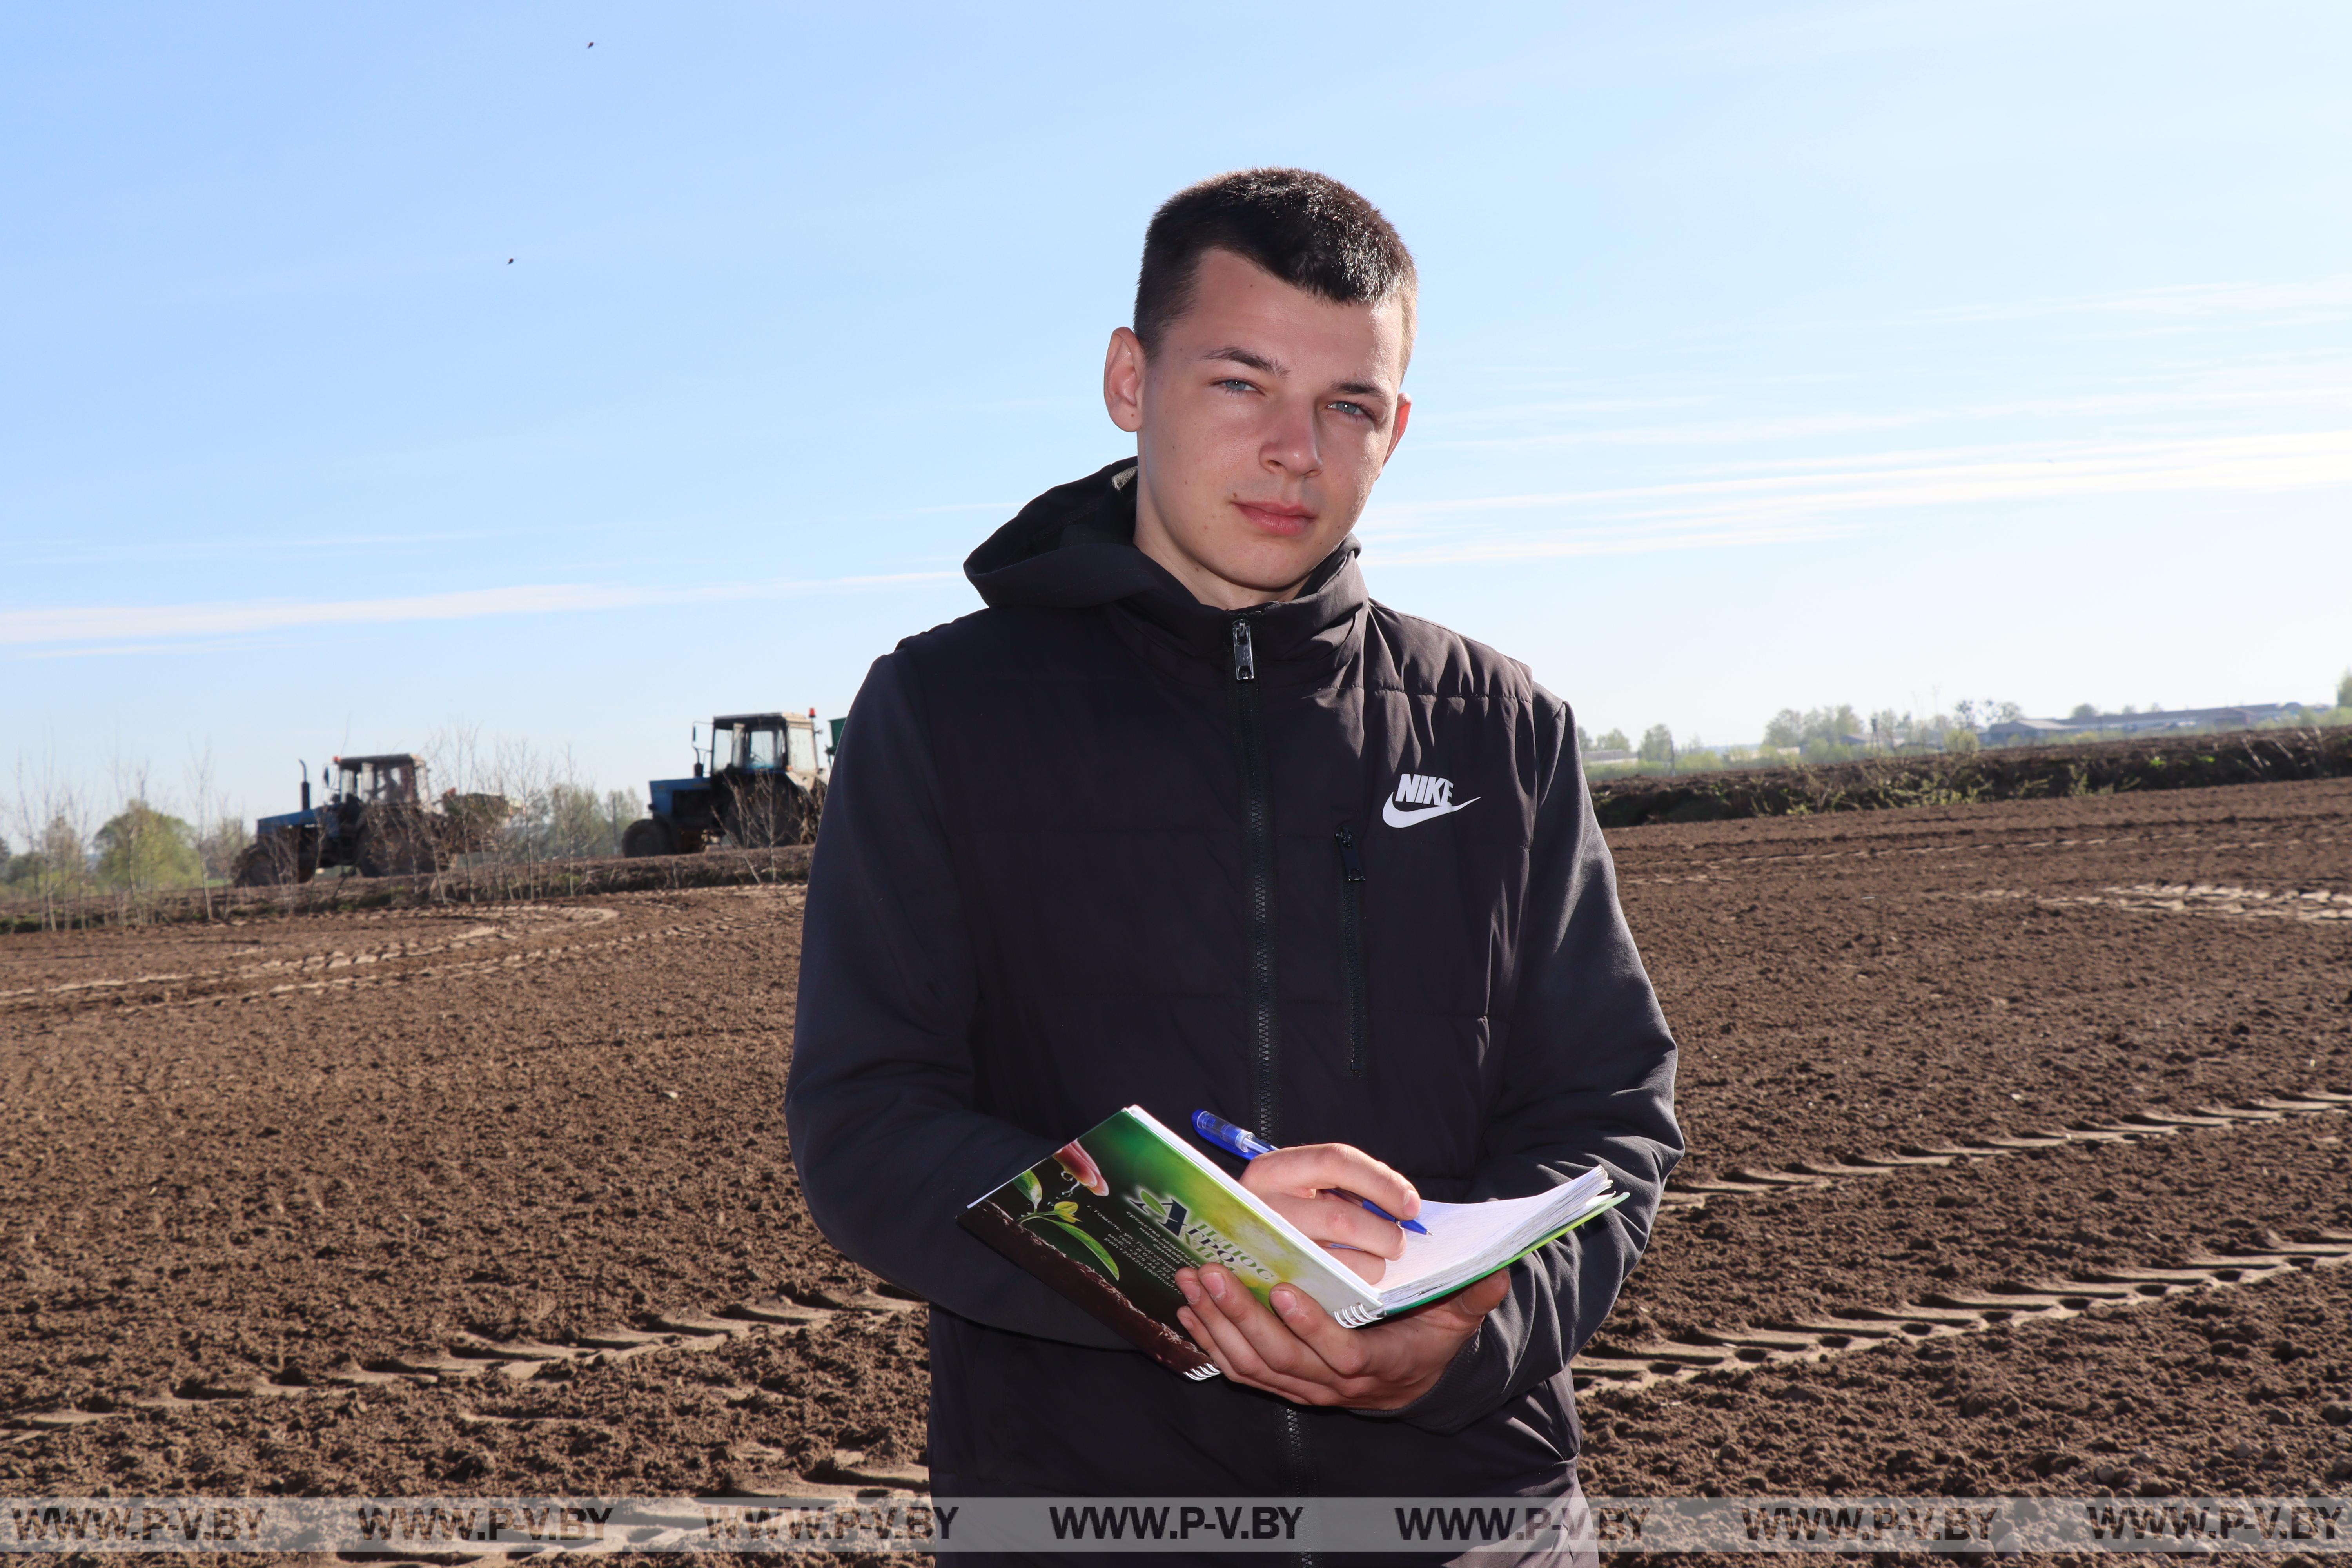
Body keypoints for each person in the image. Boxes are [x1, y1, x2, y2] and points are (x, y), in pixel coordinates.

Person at [784, 168, 1682, 1560]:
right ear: (1129, 379)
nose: (1294, 452)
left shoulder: (1499, 727)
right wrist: (1177, 1243)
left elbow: (1609, 1112)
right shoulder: (944, 715)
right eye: (1241, 383)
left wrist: (1472, 1332)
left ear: (1399, 427)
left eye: (1350, 406)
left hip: (1469, 1518)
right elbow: (868, 1126)